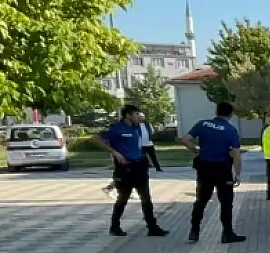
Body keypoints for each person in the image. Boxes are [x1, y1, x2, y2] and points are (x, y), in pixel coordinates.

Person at [94, 105, 169, 237]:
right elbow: (95, 139)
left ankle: (152, 227)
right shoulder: (116, 128)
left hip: (139, 165)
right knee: (123, 197)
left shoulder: (136, 128)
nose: (138, 117)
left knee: (146, 197)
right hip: (124, 168)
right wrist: (114, 152)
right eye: (135, 114)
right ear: (128, 115)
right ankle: (115, 226)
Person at [181, 102, 246, 244]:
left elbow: (185, 139)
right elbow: (236, 154)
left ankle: (194, 231)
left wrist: (196, 150)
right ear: (230, 114)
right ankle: (227, 234)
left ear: (216, 111)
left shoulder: (202, 124)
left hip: (204, 168)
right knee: (226, 202)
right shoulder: (231, 130)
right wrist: (238, 174)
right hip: (222, 169)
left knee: (201, 200)